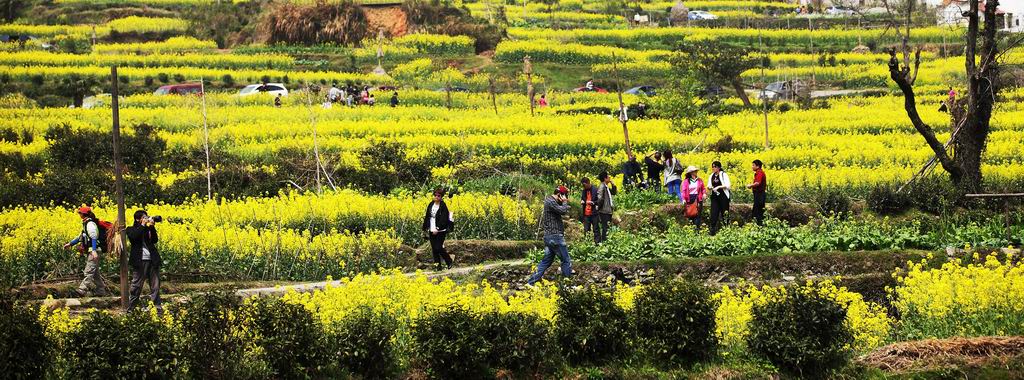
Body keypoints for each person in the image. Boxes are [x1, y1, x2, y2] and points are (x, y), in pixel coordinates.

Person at [527, 186, 572, 285]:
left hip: (550, 237)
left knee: (546, 262)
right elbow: (563, 211)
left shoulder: (551, 202)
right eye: (565, 196)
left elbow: (562, 209)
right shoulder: (550, 201)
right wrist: (564, 202)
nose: (566, 198)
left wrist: (564, 203)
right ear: (560, 195)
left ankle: (530, 283)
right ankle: (567, 285)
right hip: (555, 237)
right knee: (566, 260)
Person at [62, 206, 108, 297]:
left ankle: (82, 290)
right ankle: (101, 290)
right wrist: (70, 244)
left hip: (94, 250)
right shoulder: (86, 223)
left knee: (89, 270)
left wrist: (94, 250)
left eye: (80, 213)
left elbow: (93, 237)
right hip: (92, 250)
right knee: (95, 273)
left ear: (83, 214)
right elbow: (81, 237)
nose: (79, 214)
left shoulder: (90, 224)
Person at [127, 210, 161, 311]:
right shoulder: (131, 229)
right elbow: (134, 237)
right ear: (138, 219)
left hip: (152, 260)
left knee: (155, 285)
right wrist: (142, 225)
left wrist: (152, 226)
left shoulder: (147, 229)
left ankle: (157, 307)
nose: (146, 219)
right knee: (136, 285)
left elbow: (154, 240)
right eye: (144, 217)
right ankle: (131, 308)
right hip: (140, 261)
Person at [422, 188, 454, 270]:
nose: (436, 197)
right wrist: (425, 227)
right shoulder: (431, 204)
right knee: (434, 249)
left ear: (441, 197)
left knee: (438, 247)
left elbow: (444, 219)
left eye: (438, 196)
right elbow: (427, 216)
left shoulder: (443, 206)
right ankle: (437, 266)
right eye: (435, 195)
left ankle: (449, 261)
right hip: (431, 229)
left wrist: (438, 228)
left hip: (440, 230)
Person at [707, 161, 731, 235]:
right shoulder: (711, 176)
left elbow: (728, 185)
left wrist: (719, 187)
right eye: (713, 167)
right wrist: (710, 187)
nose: (713, 168)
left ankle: (726, 229)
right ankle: (712, 230)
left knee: (725, 212)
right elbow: (708, 185)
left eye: (715, 167)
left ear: (719, 167)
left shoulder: (724, 175)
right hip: (715, 197)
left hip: (723, 196)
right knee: (713, 213)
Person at [595, 171, 617, 244]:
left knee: (607, 227)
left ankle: (606, 242)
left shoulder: (606, 187)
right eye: (608, 176)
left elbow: (613, 192)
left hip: (608, 210)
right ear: (605, 178)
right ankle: (604, 243)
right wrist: (599, 208)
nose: (609, 177)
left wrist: (613, 184)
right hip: (604, 211)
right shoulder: (602, 186)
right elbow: (600, 198)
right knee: (605, 228)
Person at [747, 159, 767, 226]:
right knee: (758, 209)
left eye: (753, 165)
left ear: (758, 166)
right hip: (759, 194)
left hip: (759, 194)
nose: (752, 167)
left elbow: (758, 183)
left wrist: (750, 185)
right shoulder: (759, 172)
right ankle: (758, 224)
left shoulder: (760, 173)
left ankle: (758, 225)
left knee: (758, 210)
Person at [579, 178, 599, 244]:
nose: (583, 187)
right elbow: (583, 199)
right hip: (586, 214)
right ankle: (587, 244)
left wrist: (593, 202)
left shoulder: (595, 189)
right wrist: (582, 201)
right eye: (583, 185)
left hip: (594, 213)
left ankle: (597, 243)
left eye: (584, 185)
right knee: (586, 230)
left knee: (596, 229)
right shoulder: (584, 191)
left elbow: (599, 200)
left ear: (588, 183)